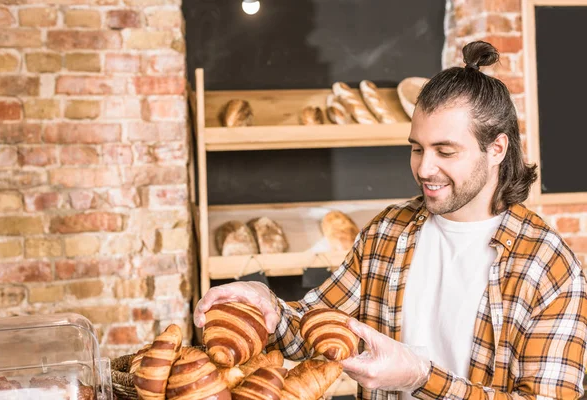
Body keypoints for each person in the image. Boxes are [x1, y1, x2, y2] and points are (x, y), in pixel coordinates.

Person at [194, 41, 587, 399]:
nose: (424, 168)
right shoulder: (390, 231)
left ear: (497, 148)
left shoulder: (548, 268)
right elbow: (318, 327)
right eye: (417, 148)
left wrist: (421, 377)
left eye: (445, 151)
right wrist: (269, 307)